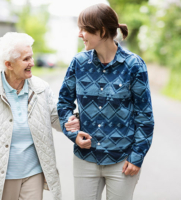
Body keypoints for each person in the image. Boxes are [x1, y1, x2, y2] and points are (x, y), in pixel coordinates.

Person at [0, 32, 79, 200]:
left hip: (33, 174)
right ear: (8, 64)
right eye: (26, 59)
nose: (32, 63)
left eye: (31, 57)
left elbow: (56, 118)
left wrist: (71, 120)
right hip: (0, 177)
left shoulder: (41, 88)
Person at [57, 3, 154, 200]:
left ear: (102, 31)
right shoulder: (78, 63)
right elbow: (63, 102)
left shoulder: (133, 65)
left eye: (84, 29)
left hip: (122, 160)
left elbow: (145, 116)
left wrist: (137, 156)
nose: (80, 34)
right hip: (85, 158)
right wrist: (71, 131)